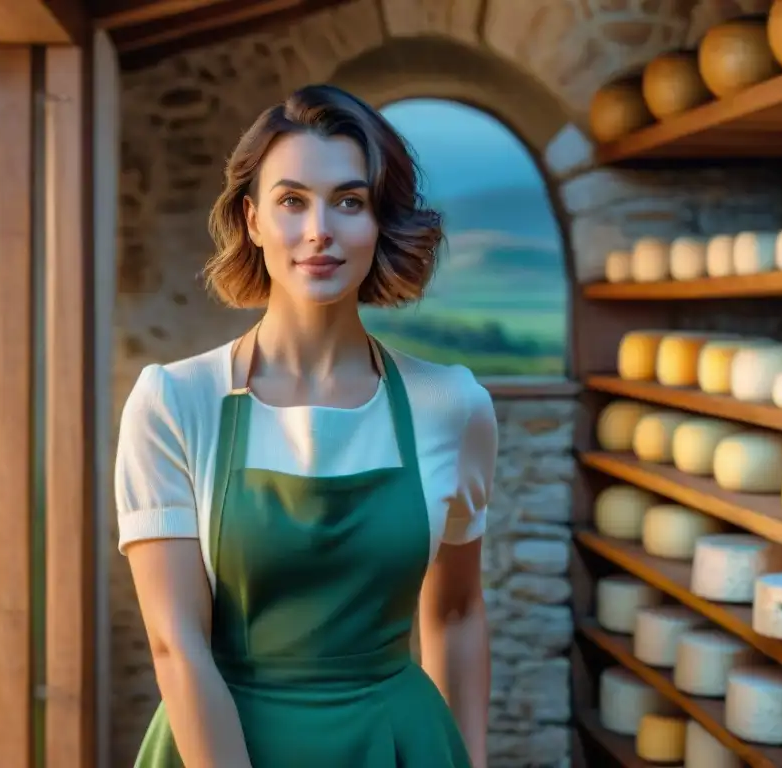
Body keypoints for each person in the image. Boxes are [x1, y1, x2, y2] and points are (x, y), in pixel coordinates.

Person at [115, 83, 497, 767]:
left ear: (380, 221)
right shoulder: (174, 402)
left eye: (349, 202)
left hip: (399, 744)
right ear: (253, 218)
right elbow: (177, 644)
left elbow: (457, 615)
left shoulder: (453, 406)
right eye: (292, 200)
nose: (319, 229)